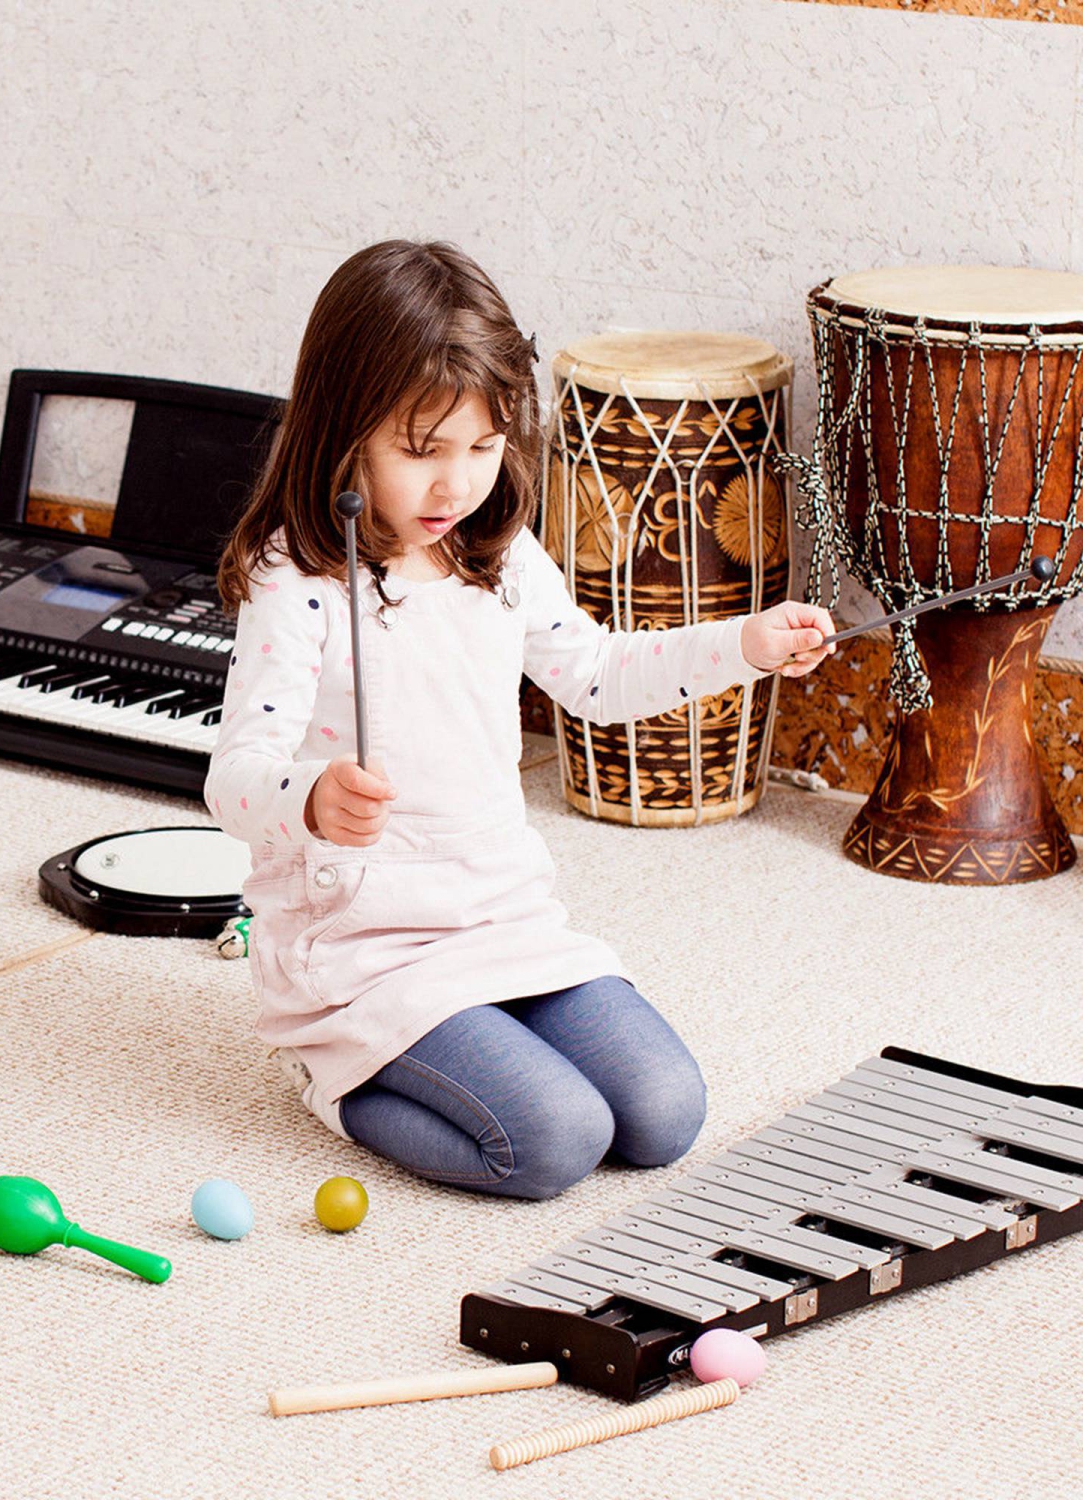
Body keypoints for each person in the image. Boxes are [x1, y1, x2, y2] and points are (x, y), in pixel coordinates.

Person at [207, 240, 835, 1200]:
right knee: (553, 1140)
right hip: (366, 951)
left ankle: (470, 1045)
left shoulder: (493, 554)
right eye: (421, 453)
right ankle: (333, 1073)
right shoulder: (296, 579)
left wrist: (742, 644)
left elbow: (594, 674)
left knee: (665, 1114)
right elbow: (234, 778)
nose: (455, 487)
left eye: (484, 448)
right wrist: (312, 798)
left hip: (501, 919)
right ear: (345, 433)